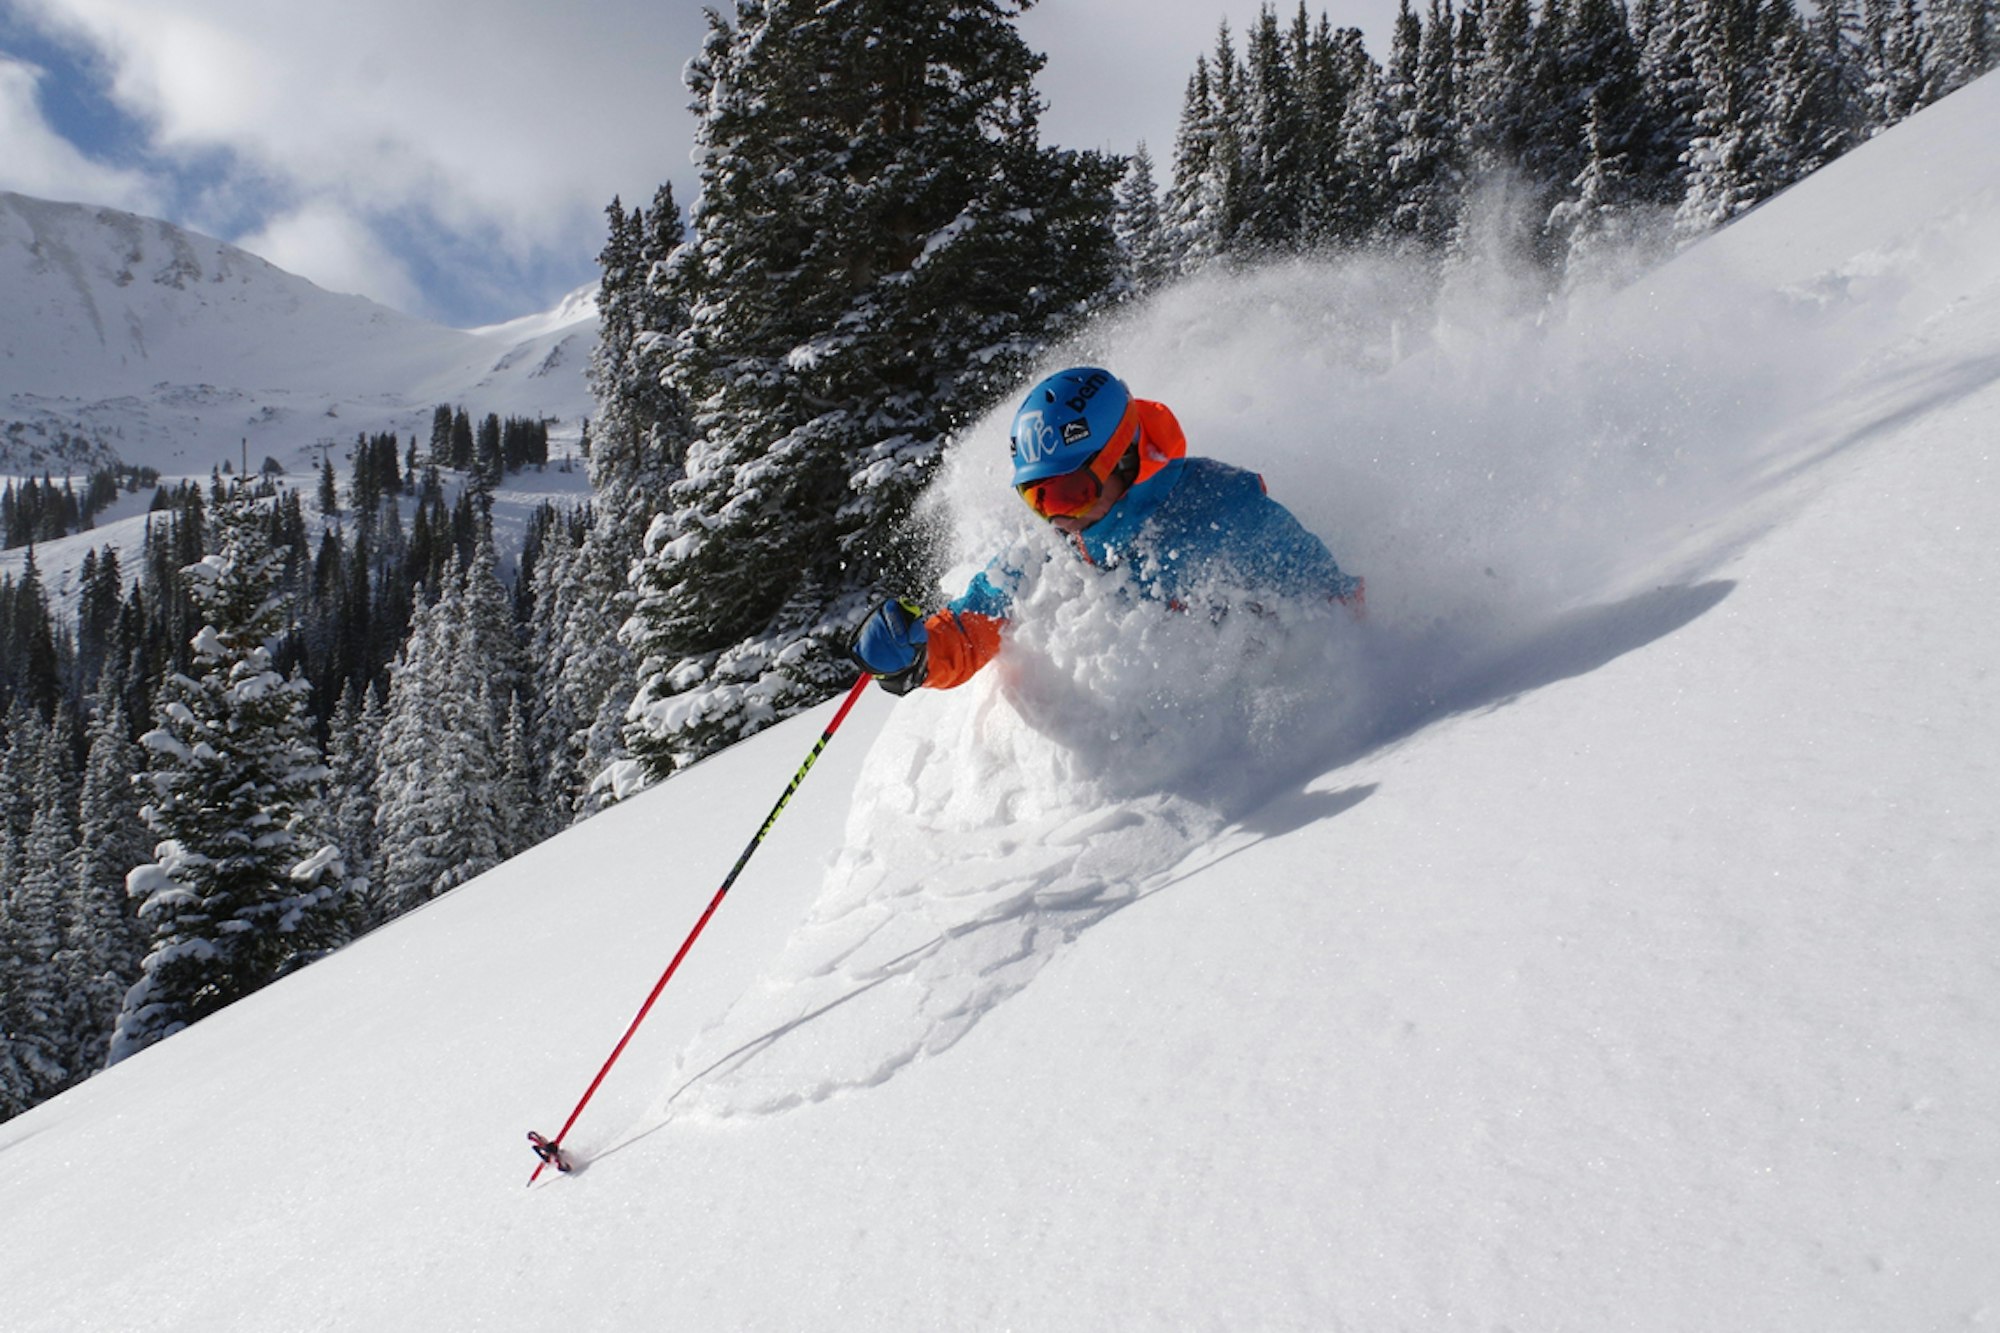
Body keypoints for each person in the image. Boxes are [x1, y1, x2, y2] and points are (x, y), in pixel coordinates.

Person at [849, 366, 1362, 694]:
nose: (1057, 517)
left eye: (1069, 491)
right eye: (1037, 497)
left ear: (1124, 460)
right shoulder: (1050, 549)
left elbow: (1336, 608)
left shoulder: (1224, 513)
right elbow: (978, 619)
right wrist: (919, 655)